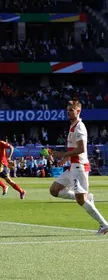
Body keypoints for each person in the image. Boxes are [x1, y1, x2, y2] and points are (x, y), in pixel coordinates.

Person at [49, 100, 108, 235]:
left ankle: (104, 225)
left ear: (78, 111)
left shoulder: (79, 127)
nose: (68, 112)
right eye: (68, 110)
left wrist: (63, 154)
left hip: (79, 167)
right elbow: (74, 148)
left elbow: (81, 149)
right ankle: (87, 199)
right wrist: (65, 158)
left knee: (80, 200)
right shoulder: (72, 127)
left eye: (71, 110)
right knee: (54, 190)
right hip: (72, 167)